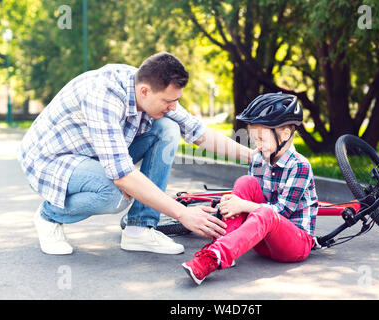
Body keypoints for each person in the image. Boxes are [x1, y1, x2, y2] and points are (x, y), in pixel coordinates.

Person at [17, 52, 254, 255]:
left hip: (92, 151)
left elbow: (198, 132)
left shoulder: (151, 87)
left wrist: (257, 157)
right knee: (115, 193)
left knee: (168, 128)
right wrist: (183, 214)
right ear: (144, 92)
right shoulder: (104, 96)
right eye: (169, 101)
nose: (173, 107)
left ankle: (140, 229)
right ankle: (49, 216)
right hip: (52, 159)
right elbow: (121, 175)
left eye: (176, 101)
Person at [182, 92, 318, 285]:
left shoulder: (300, 166)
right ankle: (223, 242)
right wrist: (235, 204)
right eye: (255, 139)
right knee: (246, 182)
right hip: (262, 243)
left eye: (262, 139)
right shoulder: (258, 159)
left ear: (285, 135)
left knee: (265, 214)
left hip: (294, 244)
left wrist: (243, 205)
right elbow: (250, 202)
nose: (257, 145)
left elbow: (282, 212)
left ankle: (213, 258)